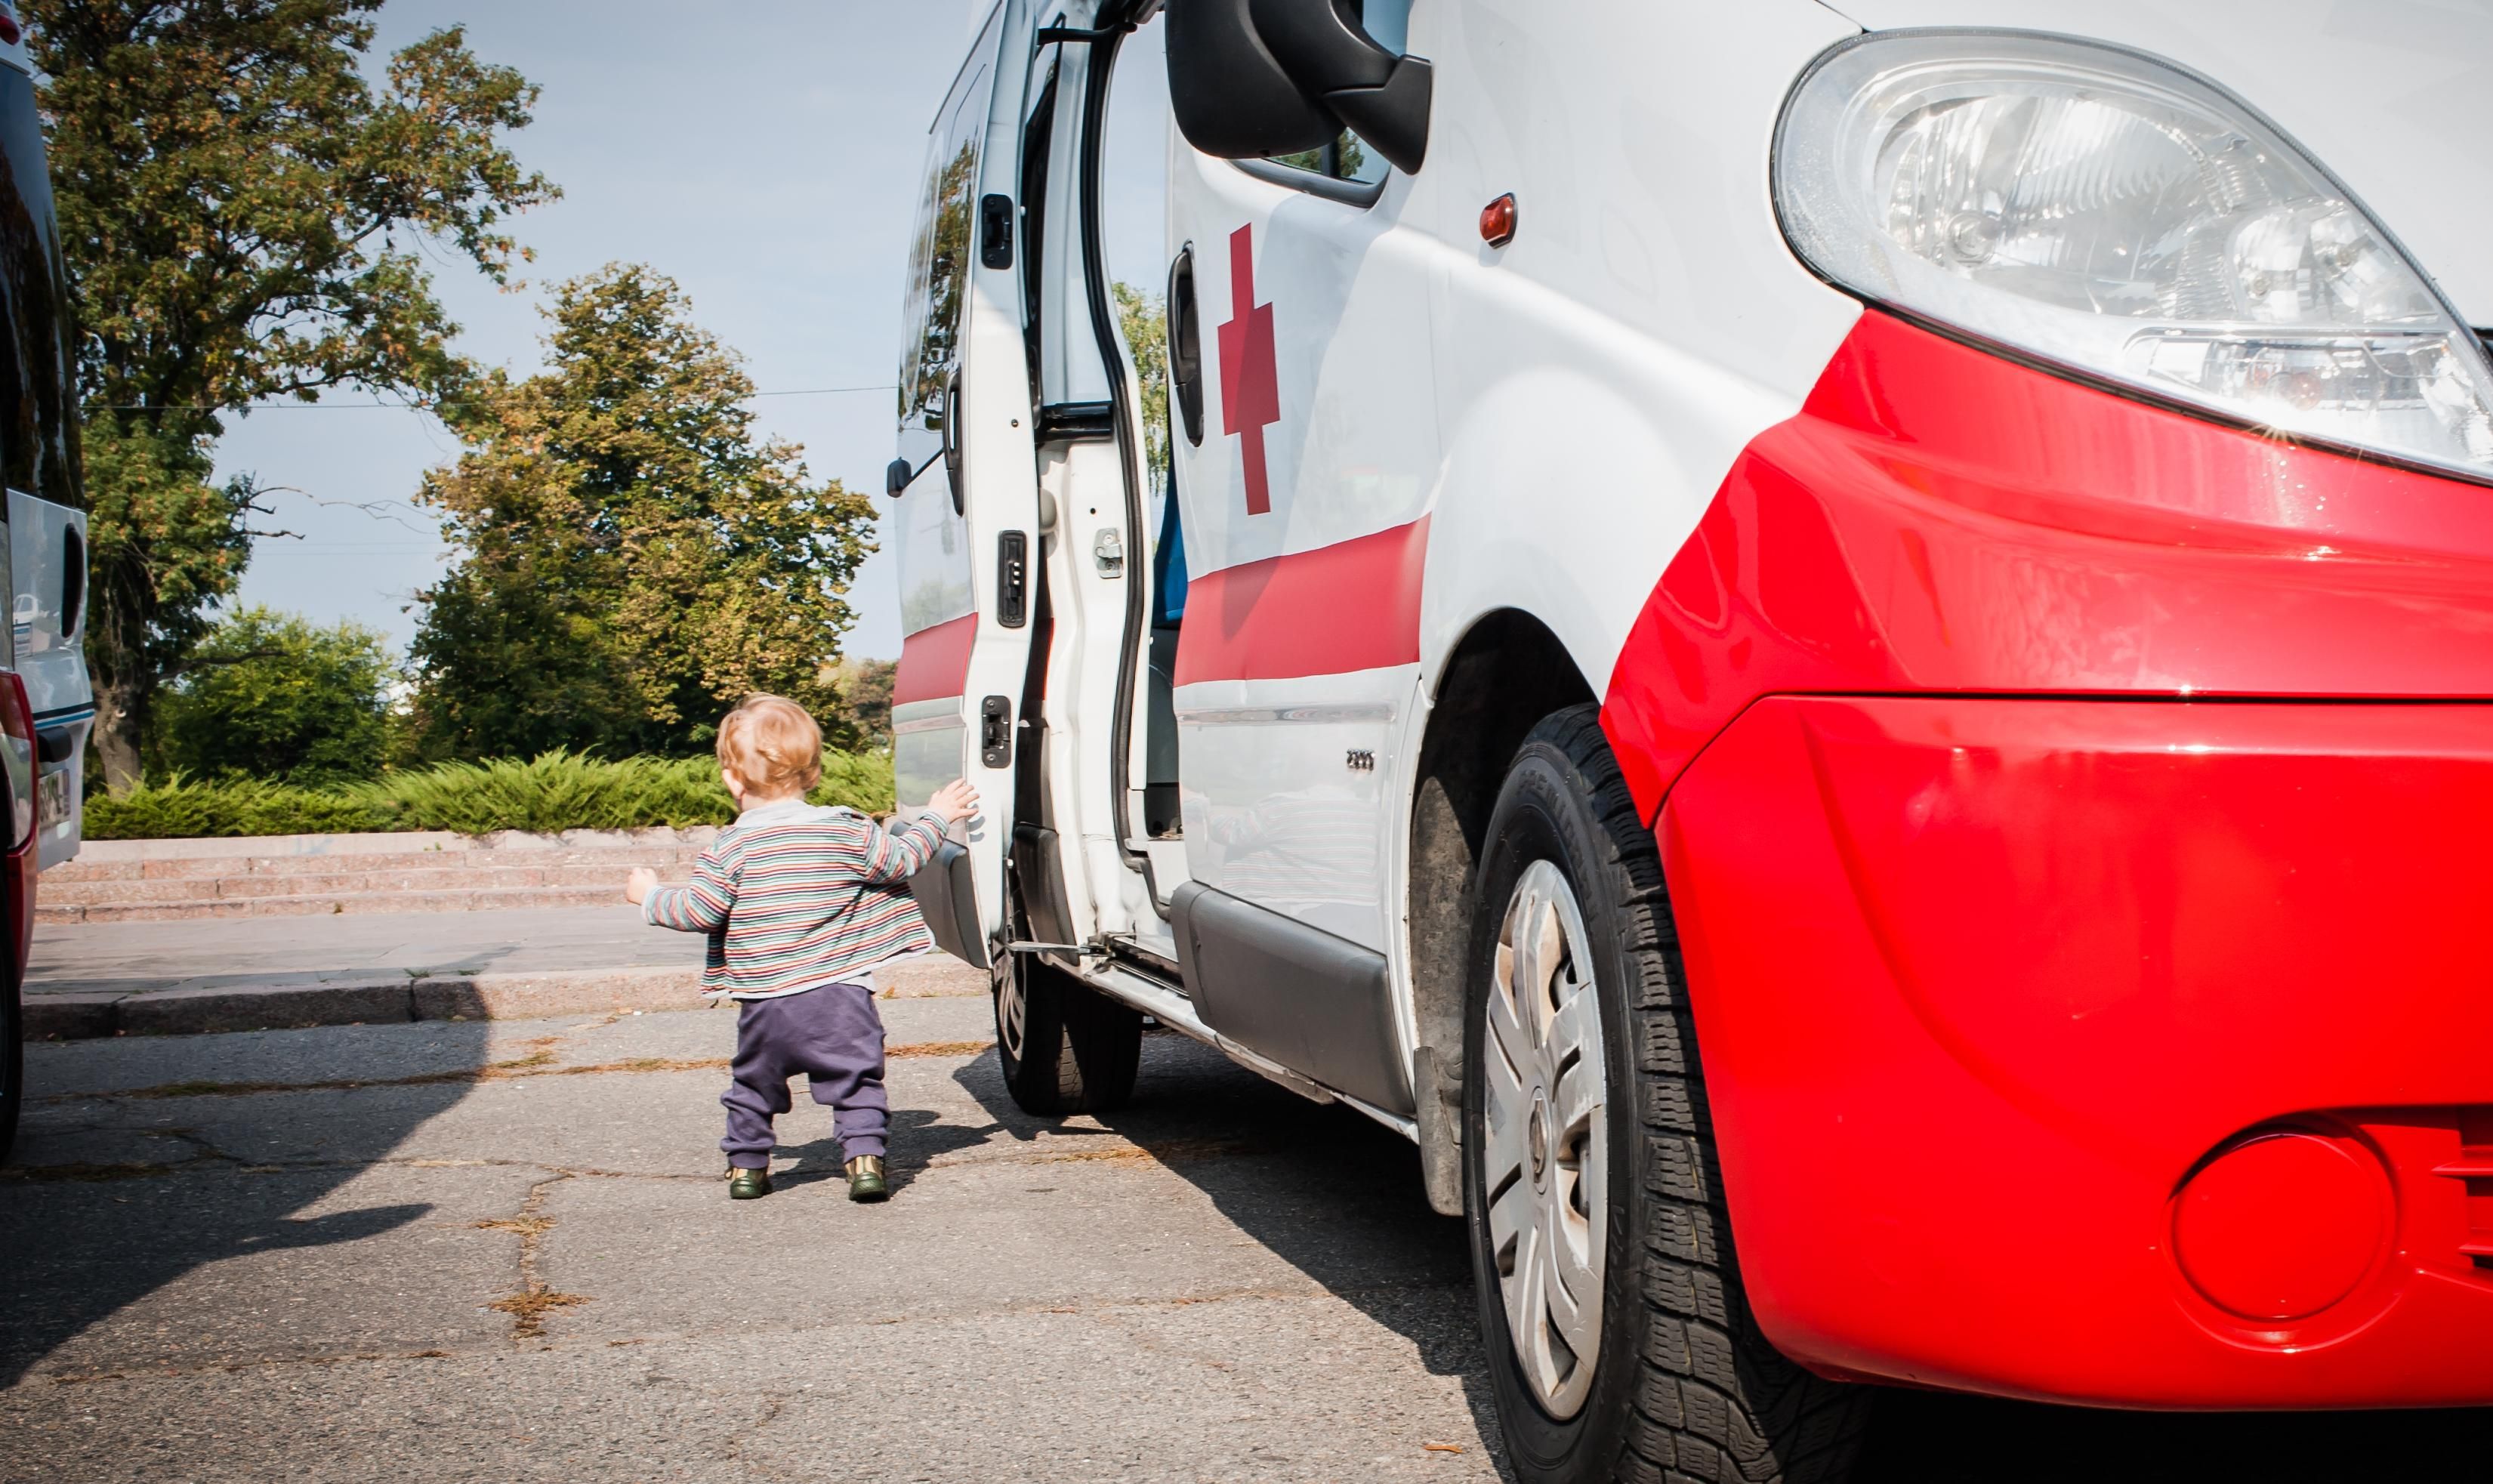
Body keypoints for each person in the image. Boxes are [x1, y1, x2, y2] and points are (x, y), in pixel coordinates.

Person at [625, 693, 978, 1202]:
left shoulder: (729, 848)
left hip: (765, 1002)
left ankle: (747, 1168)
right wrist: (937, 816)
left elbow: (699, 911)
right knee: (856, 1081)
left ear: (732, 779)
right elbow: (901, 860)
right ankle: (865, 1163)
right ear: (813, 773)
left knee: (753, 1084)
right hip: (841, 996)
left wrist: (649, 896)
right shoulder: (844, 829)